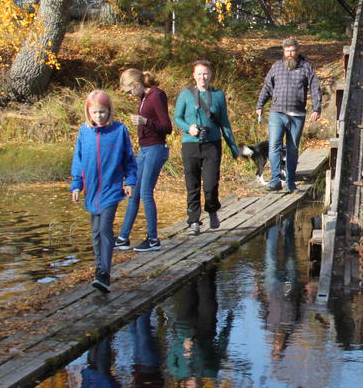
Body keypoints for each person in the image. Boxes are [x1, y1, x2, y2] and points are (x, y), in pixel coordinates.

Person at [70, 89, 137, 293]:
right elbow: (78, 159)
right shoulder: (84, 132)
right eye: (95, 112)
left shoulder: (119, 131)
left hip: (111, 189)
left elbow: (129, 160)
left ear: (109, 111)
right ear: (88, 113)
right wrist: (76, 184)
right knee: (95, 231)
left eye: (103, 112)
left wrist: (129, 181)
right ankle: (99, 267)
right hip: (91, 190)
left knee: (104, 229)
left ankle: (104, 274)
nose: (99, 116)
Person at [173, 60, 239, 234]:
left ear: (211, 75)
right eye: (199, 73)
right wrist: (190, 128)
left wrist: (233, 147)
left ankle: (212, 209)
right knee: (192, 184)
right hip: (190, 144)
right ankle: (193, 221)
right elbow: (177, 118)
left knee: (210, 184)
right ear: (193, 75)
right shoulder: (185, 94)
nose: (203, 77)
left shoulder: (218, 95)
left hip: (212, 144)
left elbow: (224, 122)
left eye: (206, 73)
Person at [115, 69, 172, 252]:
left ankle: (153, 239)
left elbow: (167, 127)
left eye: (129, 91)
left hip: (156, 148)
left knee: (146, 192)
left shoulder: (156, 96)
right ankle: (123, 237)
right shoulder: (144, 98)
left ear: (137, 85)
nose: (130, 95)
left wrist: (144, 121)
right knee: (134, 192)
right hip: (145, 149)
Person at [255, 38, 321, 192]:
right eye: (287, 51)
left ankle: (290, 183)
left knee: (292, 149)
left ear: (297, 51)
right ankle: (275, 180)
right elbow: (267, 87)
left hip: (297, 115)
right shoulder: (276, 67)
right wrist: (260, 104)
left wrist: (316, 108)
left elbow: (315, 88)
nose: (290, 54)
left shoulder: (306, 67)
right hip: (277, 113)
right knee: (274, 146)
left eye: (293, 51)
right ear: (283, 52)